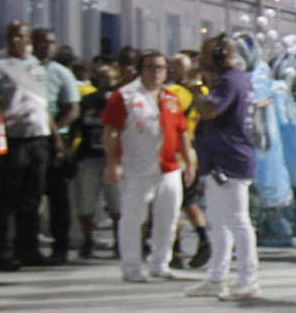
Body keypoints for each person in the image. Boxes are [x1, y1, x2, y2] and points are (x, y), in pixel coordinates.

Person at [102, 50, 193, 282]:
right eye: (151, 67)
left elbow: (181, 132)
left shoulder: (171, 97)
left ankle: (160, 263)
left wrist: (189, 162)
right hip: (136, 167)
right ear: (141, 70)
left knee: (168, 216)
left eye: (161, 68)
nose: (156, 72)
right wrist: (113, 164)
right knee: (133, 218)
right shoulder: (124, 96)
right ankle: (131, 267)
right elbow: (111, 132)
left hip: (169, 167)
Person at [188, 35, 259, 301]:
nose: (199, 58)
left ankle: (248, 280)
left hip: (230, 160)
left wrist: (195, 87)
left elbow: (209, 111)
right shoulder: (230, 80)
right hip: (219, 159)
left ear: (219, 55)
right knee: (218, 222)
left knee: (238, 221)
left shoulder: (230, 80)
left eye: (204, 53)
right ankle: (217, 277)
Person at [0, 21, 57, 271]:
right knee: (4, 198)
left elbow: (45, 104)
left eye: (21, 36)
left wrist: (55, 139)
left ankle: (28, 248)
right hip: (12, 138)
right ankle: (1, 252)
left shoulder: (37, 65)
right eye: (12, 36)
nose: (16, 40)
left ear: (29, 40)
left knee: (32, 197)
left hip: (38, 137)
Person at [32, 28, 80, 264]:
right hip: (30, 138)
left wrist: (54, 129)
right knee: (29, 195)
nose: (45, 47)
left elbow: (73, 109)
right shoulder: (24, 70)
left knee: (58, 196)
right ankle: (28, 247)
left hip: (57, 139)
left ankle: (60, 247)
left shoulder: (61, 73)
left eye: (50, 43)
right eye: (40, 42)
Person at [165, 53, 211, 269]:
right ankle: (203, 237)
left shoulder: (172, 93)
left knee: (174, 203)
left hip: (177, 153)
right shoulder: (203, 92)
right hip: (196, 151)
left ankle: (176, 250)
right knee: (189, 200)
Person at [72, 60, 117, 257]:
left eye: (110, 78)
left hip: (112, 158)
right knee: (86, 202)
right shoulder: (87, 101)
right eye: (102, 78)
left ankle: (119, 241)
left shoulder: (119, 100)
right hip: (89, 157)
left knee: (117, 203)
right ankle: (88, 239)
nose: (106, 82)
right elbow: (77, 126)